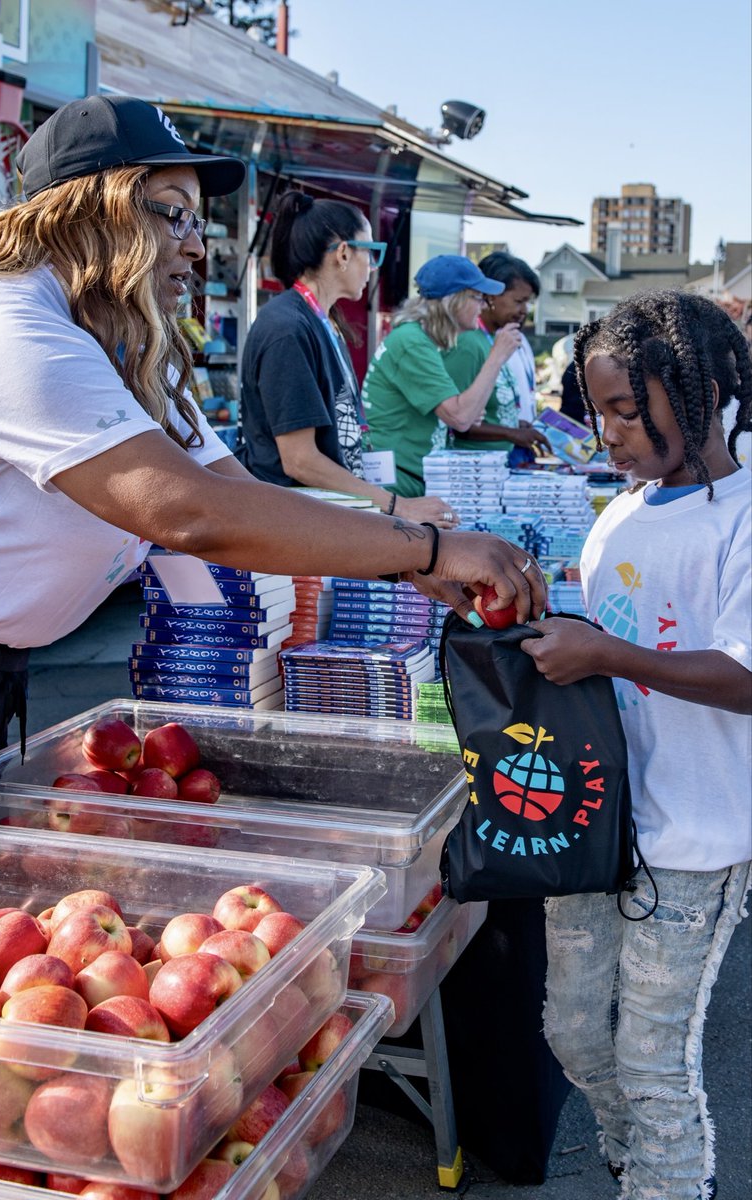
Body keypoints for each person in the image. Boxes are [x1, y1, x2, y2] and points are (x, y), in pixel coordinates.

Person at [0, 94, 548, 786]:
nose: (197, 245)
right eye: (172, 212)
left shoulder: (122, 343)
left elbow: (237, 490)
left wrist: (404, 562)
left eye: (197, 220)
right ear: (87, 213)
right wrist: (431, 548)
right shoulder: (13, 332)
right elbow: (192, 512)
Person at [520, 289, 752, 1200]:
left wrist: (606, 651)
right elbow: (605, 652)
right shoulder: (622, 510)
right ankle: (634, 1158)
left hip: (698, 835)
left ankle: (664, 1179)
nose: (607, 434)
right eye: (597, 411)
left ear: (705, 392)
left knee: (655, 1061)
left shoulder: (742, 517)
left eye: (627, 409)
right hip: (598, 825)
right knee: (573, 1032)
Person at [235, 191, 456, 527]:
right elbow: (300, 461)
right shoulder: (287, 329)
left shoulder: (321, 320)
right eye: (371, 252)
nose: (371, 266)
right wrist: (398, 506)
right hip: (293, 524)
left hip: (325, 515)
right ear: (343, 253)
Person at [362, 255, 521, 497]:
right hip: (398, 481)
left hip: (407, 475)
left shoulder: (421, 339)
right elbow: (460, 418)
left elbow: (459, 413)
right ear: (453, 301)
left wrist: (467, 409)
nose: (483, 306)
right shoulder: (412, 342)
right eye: (478, 297)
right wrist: (496, 356)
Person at [443, 250, 552, 464]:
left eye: (528, 302)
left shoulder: (509, 337)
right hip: (477, 467)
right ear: (491, 296)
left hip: (507, 457)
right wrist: (510, 433)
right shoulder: (468, 343)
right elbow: (455, 421)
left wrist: (515, 426)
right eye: (519, 301)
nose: (525, 310)